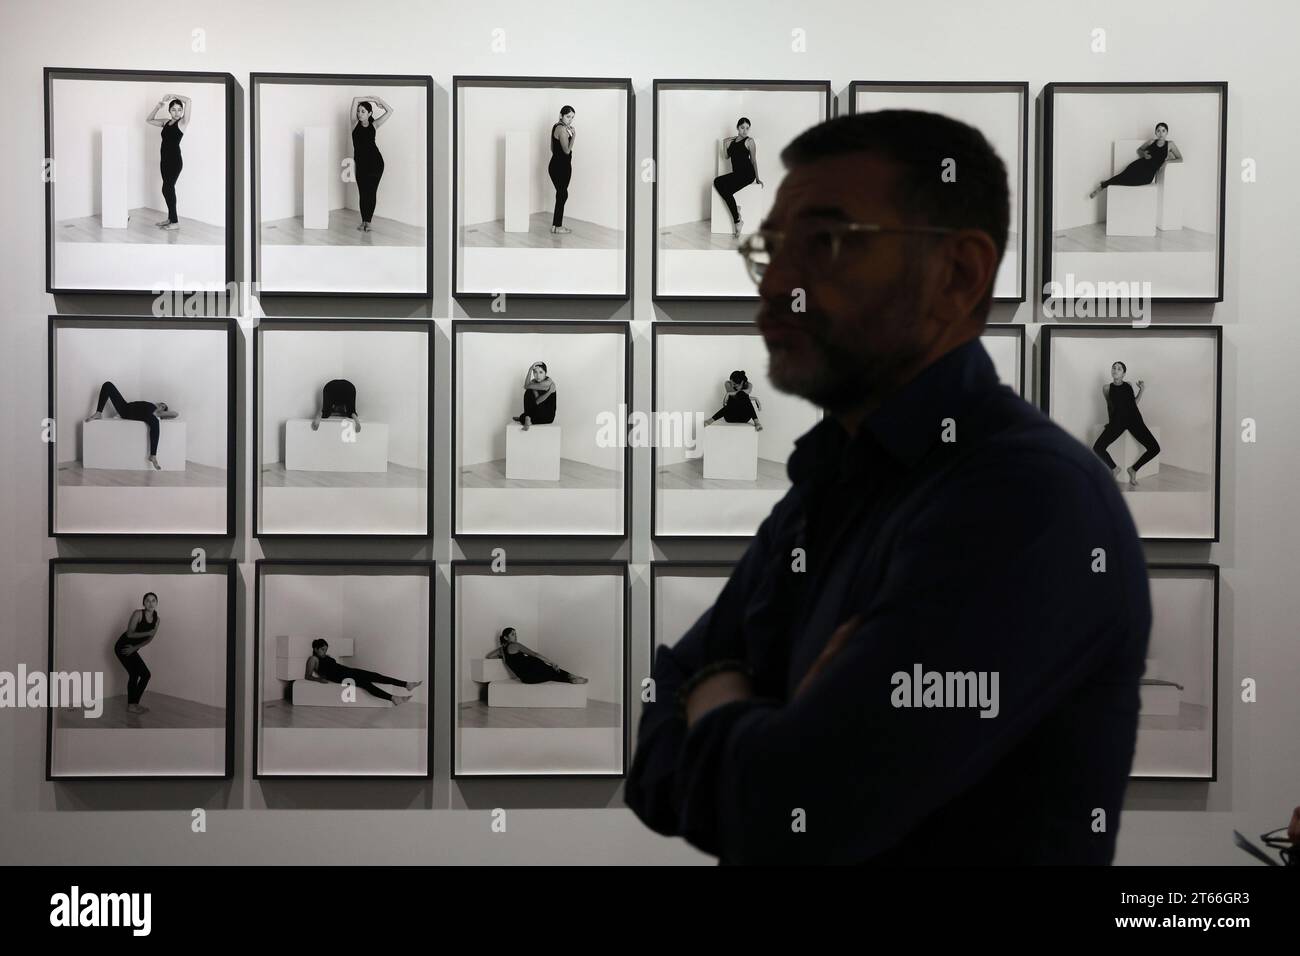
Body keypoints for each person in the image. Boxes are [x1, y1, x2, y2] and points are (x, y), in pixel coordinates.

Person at [625, 110, 1152, 865]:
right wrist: (741, 702)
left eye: (826, 243)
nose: (775, 285)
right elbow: (656, 733)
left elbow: (790, 809)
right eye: (771, 247)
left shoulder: (1031, 503)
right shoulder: (834, 475)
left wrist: (717, 694)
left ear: (957, 274)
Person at [1093, 361, 1160, 487]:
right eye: (1113, 368)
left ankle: (1133, 469)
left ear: (1123, 374)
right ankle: (1114, 468)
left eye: (1119, 368)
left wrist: (1142, 390)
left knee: (1155, 448)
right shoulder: (1106, 388)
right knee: (1098, 447)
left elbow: (1133, 403)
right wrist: (1110, 422)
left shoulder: (1128, 385)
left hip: (1135, 420)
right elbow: (1110, 406)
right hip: (1118, 422)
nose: (1115, 370)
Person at [84, 381, 179, 470]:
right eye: (161, 404)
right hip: (125, 408)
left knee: (155, 422)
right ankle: (98, 412)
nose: (160, 405)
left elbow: (175, 414)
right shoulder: (151, 405)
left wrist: (161, 413)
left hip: (143, 415)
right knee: (108, 385)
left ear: (163, 411)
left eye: (163, 407)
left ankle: (153, 455)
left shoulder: (156, 415)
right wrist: (159, 409)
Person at [304, 639, 421, 705]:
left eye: (326, 649)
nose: (325, 652)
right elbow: (308, 676)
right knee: (365, 683)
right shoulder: (313, 659)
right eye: (322, 649)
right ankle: (393, 698)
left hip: (345, 670)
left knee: (375, 675)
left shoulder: (326, 656)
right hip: (338, 677)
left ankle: (406, 684)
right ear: (315, 649)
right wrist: (319, 679)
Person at [1088, 122, 1183, 199]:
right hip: (1139, 165)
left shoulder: (1170, 144)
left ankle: (1108, 182)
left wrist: (1167, 161)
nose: (1161, 133)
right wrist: (1144, 154)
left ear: (1167, 132)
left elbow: (1180, 158)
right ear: (1155, 133)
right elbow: (1140, 150)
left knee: (1132, 181)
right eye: (1158, 131)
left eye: (1163, 131)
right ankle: (1102, 187)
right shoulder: (1151, 141)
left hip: (1149, 174)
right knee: (1123, 175)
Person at [713, 117, 764, 239]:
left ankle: (737, 222)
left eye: (747, 128)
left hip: (747, 174)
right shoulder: (732, 142)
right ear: (738, 128)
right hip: (736, 174)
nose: (745, 131)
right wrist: (725, 143)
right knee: (717, 181)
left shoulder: (749, 141)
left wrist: (757, 178)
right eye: (742, 128)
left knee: (726, 190)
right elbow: (726, 156)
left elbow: (753, 160)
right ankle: (736, 211)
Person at [146, 93, 191, 229]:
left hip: (175, 161)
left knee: (168, 188)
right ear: (169, 111)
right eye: (173, 109)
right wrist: (157, 107)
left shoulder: (183, 123)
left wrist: (172, 95)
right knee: (166, 189)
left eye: (179, 109)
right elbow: (149, 120)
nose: (177, 112)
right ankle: (170, 218)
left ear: (182, 111)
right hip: (164, 160)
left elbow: (188, 100)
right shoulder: (166, 122)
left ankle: (175, 222)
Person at [350, 96, 394, 231]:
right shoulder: (354, 123)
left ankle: (368, 222)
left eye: (363, 111)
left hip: (376, 163)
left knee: (371, 192)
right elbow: (355, 99)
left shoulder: (374, 125)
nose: (359, 113)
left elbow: (390, 111)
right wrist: (372, 99)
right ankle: (363, 221)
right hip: (361, 165)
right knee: (363, 193)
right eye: (358, 111)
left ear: (369, 114)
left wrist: (379, 100)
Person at [485, 628, 588, 684]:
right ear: (506, 637)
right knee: (550, 668)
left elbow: (489, 656)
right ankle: (571, 677)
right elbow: (535, 654)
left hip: (527, 679)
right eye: (513, 634)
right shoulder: (515, 645)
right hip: (533, 671)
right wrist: (552, 662)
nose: (516, 636)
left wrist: (502, 656)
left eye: (516, 634)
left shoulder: (501, 650)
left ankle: (572, 678)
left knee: (551, 673)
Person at [113, 592, 160, 714]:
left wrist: (135, 648)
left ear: (156, 603)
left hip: (132, 648)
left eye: (153, 600)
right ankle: (132, 706)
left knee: (145, 675)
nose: (150, 603)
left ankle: (134, 704)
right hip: (122, 646)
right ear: (144, 603)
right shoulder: (138, 614)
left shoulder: (157, 619)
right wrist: (148, 633)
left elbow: (150, 639)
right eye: (148, 600)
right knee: (135, 674)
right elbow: (130, 634)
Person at [548, 106, 576, 235]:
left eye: (572, 117)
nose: (570, 120)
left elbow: (552, 148)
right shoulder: (563, 130)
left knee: (561, 194)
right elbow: (567, 151)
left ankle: (555, 226)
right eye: (568, 116)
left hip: (555, 165)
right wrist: (574, 136)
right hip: (561, 167)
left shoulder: (556, 126)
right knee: (562, 194)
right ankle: (558, 226)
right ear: (561, 115)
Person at [512, 362, 556, 430]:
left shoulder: (548, 383)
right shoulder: (534, 381)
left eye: (541, 372)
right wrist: (530, 369)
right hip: (539, 410)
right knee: (529, 391)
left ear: (545, 373)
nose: (538, 375)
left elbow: (526, 386)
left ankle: (526, 417)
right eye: (535, 372)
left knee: (522, 417)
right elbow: (536, 400)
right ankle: (526, 417)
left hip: (548, 416)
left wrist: (549, 392)